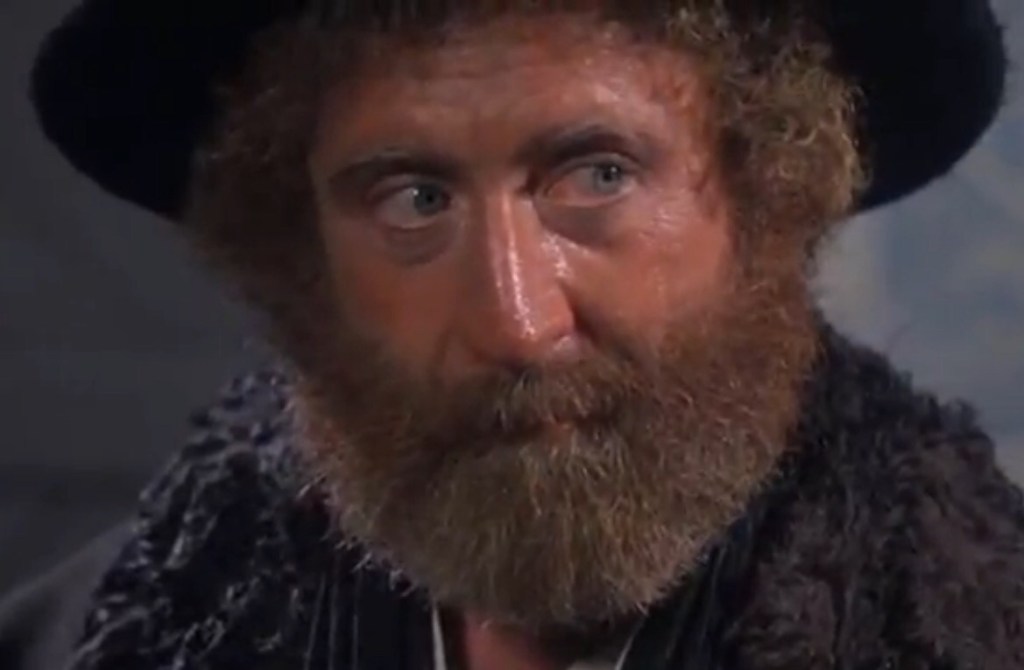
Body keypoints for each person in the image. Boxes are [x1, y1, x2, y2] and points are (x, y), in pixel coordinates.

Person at [3, 0, 1021, 668]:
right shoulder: (87, 639)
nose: (518, 323)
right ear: (301, 256)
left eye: (598, 177)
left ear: (769, 197)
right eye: (414, 200)